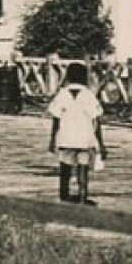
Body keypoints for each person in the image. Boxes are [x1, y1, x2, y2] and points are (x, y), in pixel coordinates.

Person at [47, 62, 107, 204]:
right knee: (83, 169)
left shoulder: (62, 94)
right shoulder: (89, 95)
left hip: (66, 138)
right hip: (85, 139)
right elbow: (97, 122)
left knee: (65, 169)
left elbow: (55, 120)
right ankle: (82, 197)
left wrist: (52, 140)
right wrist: (101, 144)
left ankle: (64, 197)